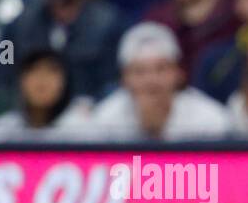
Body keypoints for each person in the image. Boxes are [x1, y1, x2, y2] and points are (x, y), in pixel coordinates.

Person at [82, 21, 231, 139]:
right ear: (124, 79)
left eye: (161, 69)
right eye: (139, 71)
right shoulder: (104, 120)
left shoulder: (210, 120)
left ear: (179, 73)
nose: (151, 81)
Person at [0, 48, 92, 141]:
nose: (42, 79)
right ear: (20, 80)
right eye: (33, 69)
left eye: (52, 70)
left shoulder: (81, 132)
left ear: (65, 82)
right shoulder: (0, 131)